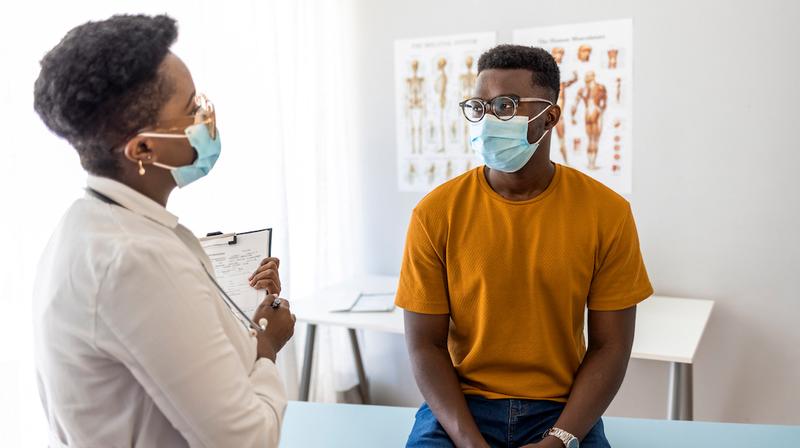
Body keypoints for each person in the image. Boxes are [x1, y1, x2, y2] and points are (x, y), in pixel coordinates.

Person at [32, 14, 295, 447]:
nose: (206, 116)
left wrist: (246, 329)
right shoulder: (135, 261)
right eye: (192, 107)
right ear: (143, 148)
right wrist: (266, 344)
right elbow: (248, 440)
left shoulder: (89, 226)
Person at [397, 44, 653, 448]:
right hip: (462, 406)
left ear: (549, 116)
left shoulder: (607, 213)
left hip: (559, 408)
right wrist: (468, 441)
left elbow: (611, 346)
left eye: (505, 106)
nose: (488, 119)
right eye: (479, 107)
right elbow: (423, 345)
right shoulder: (435, 213)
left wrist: (560, 439)